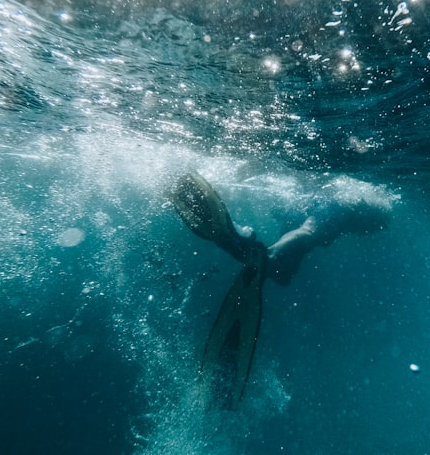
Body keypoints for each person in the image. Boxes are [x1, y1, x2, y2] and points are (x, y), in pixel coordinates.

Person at [167, 171, 393, 407]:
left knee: (283, 274)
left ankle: (233, 239)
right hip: (333, 209)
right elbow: (314, 229)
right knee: (305, 236)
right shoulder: (352, 205)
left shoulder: (348, 205)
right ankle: (245, 241)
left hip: (307, 206)